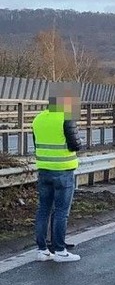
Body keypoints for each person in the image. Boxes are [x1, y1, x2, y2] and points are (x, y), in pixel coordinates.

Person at [32, 89, 82, 262]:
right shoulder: (66, 118)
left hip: (43, 170)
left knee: (43, 209)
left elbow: (36, 142)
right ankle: (60, 250)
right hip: (63, 170)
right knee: (61, 211)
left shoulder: (38, 118)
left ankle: (42, 250)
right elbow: (75, 145)